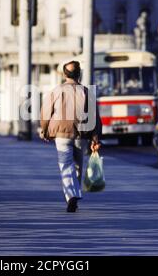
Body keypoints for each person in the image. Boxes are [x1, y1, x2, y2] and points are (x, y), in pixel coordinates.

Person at [40, 61, 101, 213]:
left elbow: (46, 112)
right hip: (81, 133)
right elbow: (94, 118)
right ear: (79, 74)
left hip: (61, 134)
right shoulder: (86, 92)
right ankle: (75, 194)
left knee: (65, 165)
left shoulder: (56, 91)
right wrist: (95, 139)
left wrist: (45, 130)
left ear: (64, 74)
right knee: (78, 166)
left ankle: (71, 196)